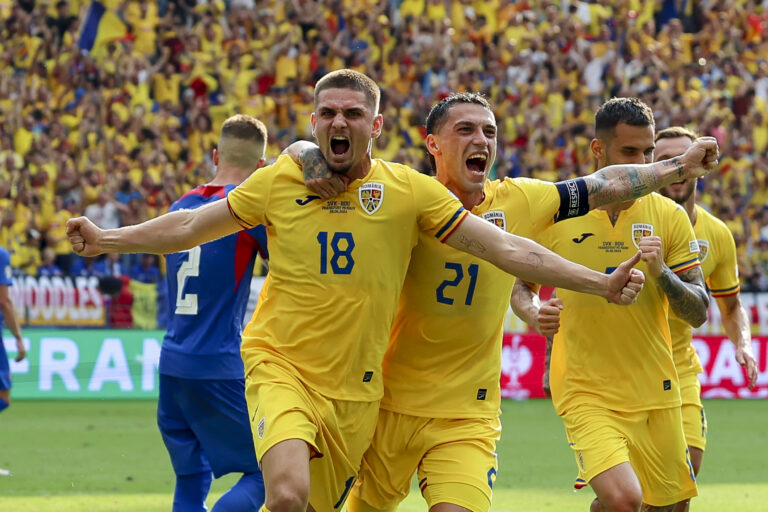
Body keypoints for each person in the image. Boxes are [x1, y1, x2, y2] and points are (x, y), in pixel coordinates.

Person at [67, 70, 647, 512]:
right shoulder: (282, 179)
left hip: (359, 395)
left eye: (352, 113)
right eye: (326, 114)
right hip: (281, 365)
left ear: (376, 126)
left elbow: (504, 248)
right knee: (288, 495)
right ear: (313, 124)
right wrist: (105, 238)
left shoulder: (407, 193)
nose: (337, 122)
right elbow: (192, 225)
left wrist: (598, 281)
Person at [298, 93, 720, 512]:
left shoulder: (520, 201)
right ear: (433, 144)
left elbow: (604, 184)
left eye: (489, 131)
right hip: (388, 403)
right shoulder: (402, 196)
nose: (481, 139)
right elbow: (312, 156)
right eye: (465, 130)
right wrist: (304, 152)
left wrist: (680, 166)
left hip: (469, 415)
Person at [511, 98, 710, 512]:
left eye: (649, 152)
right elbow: (521, 287)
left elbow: (699, 310)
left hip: (656, 386)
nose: (643, 163)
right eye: (630, 153)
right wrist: (534, 312)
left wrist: (662, 274)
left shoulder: (669, 215)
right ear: (597, 152)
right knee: (623, 499)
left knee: (669, 507)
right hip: (586, 388)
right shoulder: (557, 212)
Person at [156, 114, 269, 512]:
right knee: (269, 475)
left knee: (191, 477)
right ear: (261, 167)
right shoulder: (249, 210)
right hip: (217, 364)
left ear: (215, 154)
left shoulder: (180, 205)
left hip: (172, 364)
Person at [655, 126, 758, 512]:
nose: (679, 169)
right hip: (626, 371)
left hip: (680, 371)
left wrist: (743, 342)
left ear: (703, 165)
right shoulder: (628, 223)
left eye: (687, 159)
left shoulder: (717, 234)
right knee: (624, 497)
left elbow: (731, 307)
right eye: (667, 161)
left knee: (682, 485)